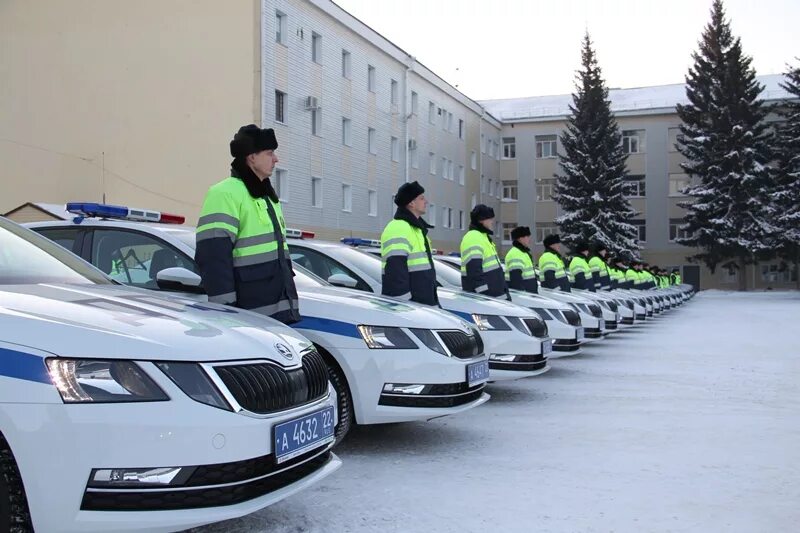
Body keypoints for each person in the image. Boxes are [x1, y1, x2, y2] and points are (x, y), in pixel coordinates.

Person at [195, 124, 300, 324]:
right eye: (270, 153)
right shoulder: (225, 193)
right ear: (252, 157)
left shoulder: (267, 198)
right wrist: (224, 313)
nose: (276, 159)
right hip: (247, 315)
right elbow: (213, 256)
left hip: (277, 312)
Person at [380, 181, 438, 305]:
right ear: (411, 203)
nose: (426, 202)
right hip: (410, 308)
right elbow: (395, 271)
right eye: (422, 198)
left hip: (422, 305)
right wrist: (404, 305)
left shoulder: (416, 229)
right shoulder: (399, 227)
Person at [460, 205, 508, 298]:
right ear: (481, 220)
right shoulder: (473, 237)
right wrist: (484, 295)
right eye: (490, 219)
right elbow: (474, 272)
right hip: (487, 300)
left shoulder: (484, 237)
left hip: (495, 299)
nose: (492, 222)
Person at [504, 226, 538, 293]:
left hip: (528, 295)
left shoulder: (523, 253)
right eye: (527, 236)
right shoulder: (515, 254)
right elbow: (516, 281)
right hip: (524, 297)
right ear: (520, 238)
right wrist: (523, 297)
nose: (529, 239)